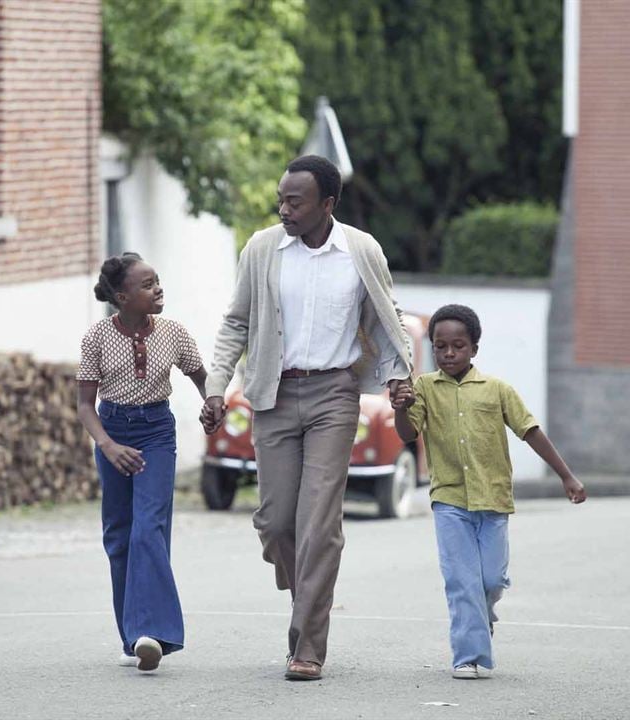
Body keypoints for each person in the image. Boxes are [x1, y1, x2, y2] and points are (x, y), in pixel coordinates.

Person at [201, 155, 413, 681]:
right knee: (275, 524)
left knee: (319, 521)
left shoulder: (361, 250)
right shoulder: (261, 249)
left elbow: (388, 319)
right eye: (281, 199)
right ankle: (308, 599)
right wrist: (216, 387)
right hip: (272, 394)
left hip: (334, 396)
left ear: (328, 204)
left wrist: (399, 376)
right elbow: (235, 323)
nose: (284, 209)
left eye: (295, 201)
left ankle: (308, 644)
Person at [391, 304, 586, 680]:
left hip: (493, 499)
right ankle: (468, 655)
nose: (449, 354)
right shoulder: (423, 389)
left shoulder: (497, 390)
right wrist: (402, 408)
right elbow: (406, 434)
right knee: (461, 580)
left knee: (491, 580)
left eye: (458, 346)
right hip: (449, 500)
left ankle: (483, 613)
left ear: (474, 349)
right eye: (441, 346)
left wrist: (567, 476)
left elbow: (530, 430)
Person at [76, 253, 209, 672]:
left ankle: (155, 633)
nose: (158, 289)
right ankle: (132, 637)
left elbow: (201, 376)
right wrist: (108, 446)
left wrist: (213, 404)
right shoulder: (96, 337)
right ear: (122, 296)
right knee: (119, 536)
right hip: (112, 431)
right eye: (148, 284)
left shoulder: (173, 332)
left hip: (155, 433)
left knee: (148, 528)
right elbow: (83, 405)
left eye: (158, 281)